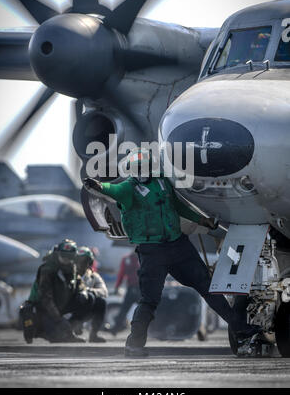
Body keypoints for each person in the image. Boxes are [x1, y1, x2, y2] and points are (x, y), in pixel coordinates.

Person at [83, 148, 258, 357]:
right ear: (131, 171)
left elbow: (177, 206)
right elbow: (112, 189)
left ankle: (241, 329)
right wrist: (98, 185)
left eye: (145, 168)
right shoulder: (128, 189)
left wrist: (202, 220)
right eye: (137, 169)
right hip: (152, 251)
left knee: (208, 287)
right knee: (149, 300)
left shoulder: (162, 182)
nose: (142, 172)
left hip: (178, 246)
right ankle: (133, 345)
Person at [22, 239, 92, 343]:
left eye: (69, 257)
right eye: (63, 256)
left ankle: (70, 330)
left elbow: (78, 283)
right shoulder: (48, 270)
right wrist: (59, 319)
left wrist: (83, 292)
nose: (66, 259)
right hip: (43, 308)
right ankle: (39, 331)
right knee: (56, 338)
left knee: (89, 299)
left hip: (61, 304)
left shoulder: (72, 267)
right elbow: (46, 298)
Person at [75, 246, 108, 343]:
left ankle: (93, 335)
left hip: (86, 307)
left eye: (85, 261)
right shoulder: (70, 274)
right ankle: (72, 328)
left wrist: (89, 290)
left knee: (101, 302)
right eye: (80, 260)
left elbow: (104, 291)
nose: (82, 263)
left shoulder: (93, 276)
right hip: (70, 308)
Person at [108, 249, 141, 336]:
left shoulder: (126, 259)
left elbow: (121, 274)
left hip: (134, 288)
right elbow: (121, 274)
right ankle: (115, 329)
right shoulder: (142, 258)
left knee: (124, 309)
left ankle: (115, 329)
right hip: (139, 288)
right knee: (145, 308)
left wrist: (117, 287)